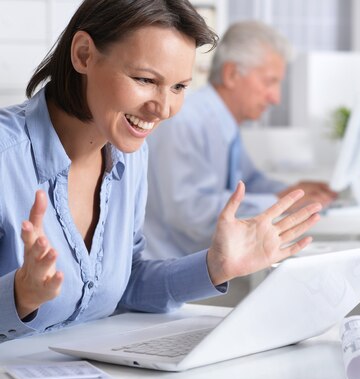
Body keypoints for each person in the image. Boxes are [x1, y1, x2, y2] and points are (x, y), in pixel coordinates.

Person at [0, 0, 322, 342]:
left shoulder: (130, 155)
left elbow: (128, 283)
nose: (164, 108)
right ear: (83, 55)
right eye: (145, 79)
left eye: (179, 87)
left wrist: (215, 266)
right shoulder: (6, 156)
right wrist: (19, 295)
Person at [144, 21, 337, 259]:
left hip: (205, 262)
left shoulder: (225, 123)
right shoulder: (185, 121)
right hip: (172, 267)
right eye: (269, 81)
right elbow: (191, 212)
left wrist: (290, 194)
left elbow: (250, 181)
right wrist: (278, 202)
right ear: (231, 74)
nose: (275, 98)